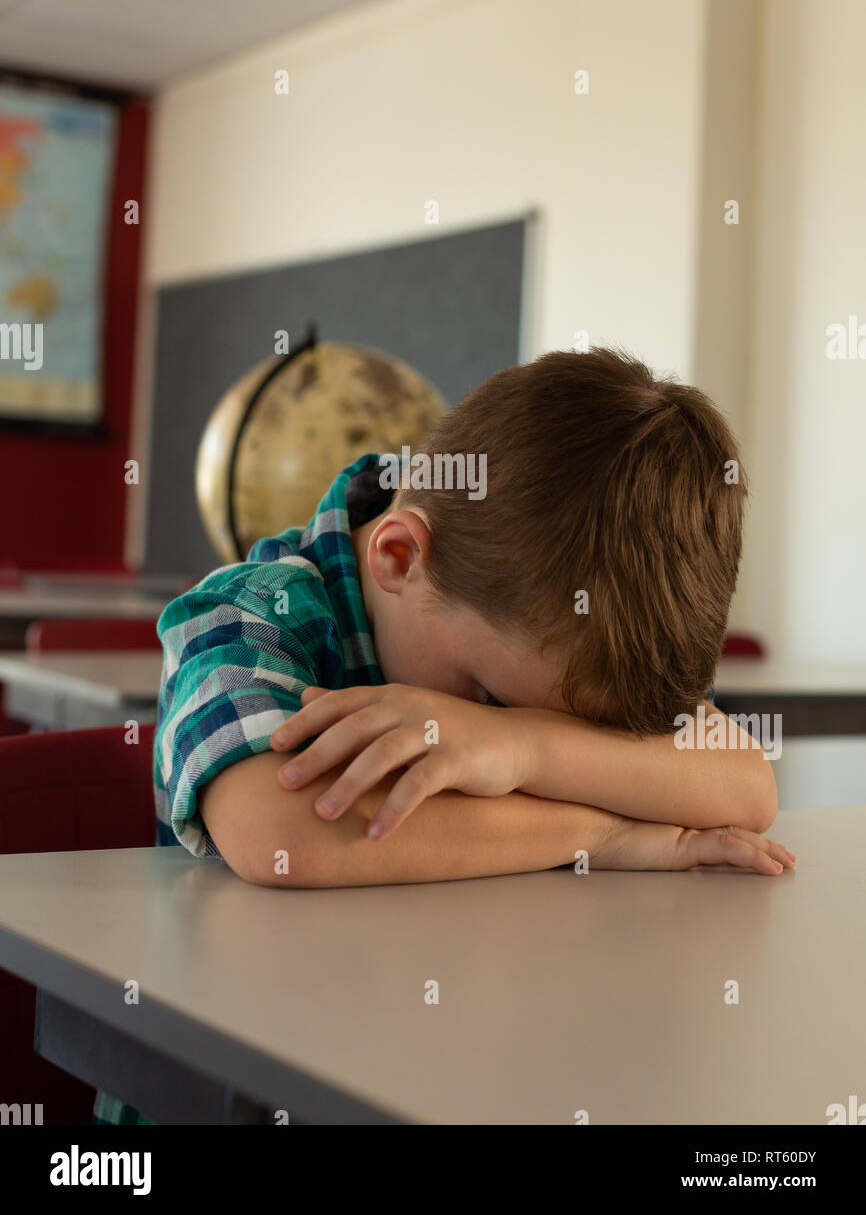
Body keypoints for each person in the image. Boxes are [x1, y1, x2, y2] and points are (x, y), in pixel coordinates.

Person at [94, 347, 792, 1124]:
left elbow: (744, 781)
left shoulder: (576, 638)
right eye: (491, 698)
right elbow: (282, 833)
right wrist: (612, 828)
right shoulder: (247, 616)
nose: (495, 727)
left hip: (471, 1064)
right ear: (398, 555)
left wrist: (522, 745)